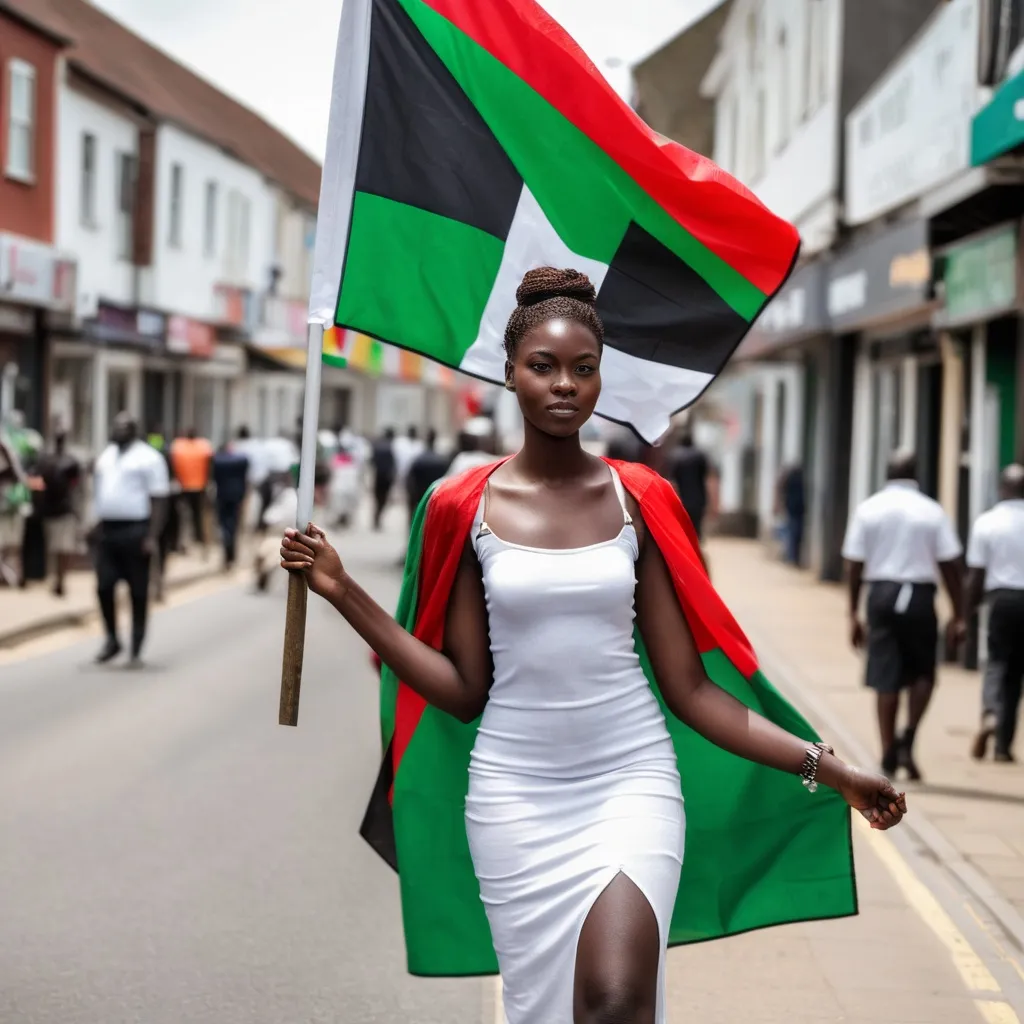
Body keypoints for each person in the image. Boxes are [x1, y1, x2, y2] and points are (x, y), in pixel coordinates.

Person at [281, 267, 905, 1024]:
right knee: (545, 1009)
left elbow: (693, 691)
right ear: (509, 374)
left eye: (584, 368)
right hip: (513, 795)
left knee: (615, 1001)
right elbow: (461, 688)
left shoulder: (640, 497)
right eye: (543, 367)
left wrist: (832, 770)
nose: (565, 385)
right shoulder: (459, 507)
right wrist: (344, 591)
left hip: (630, 781)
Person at [843, 450, 965, 780]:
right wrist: (959, 613)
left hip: (881, 595)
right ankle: (908, 739)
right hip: (920, 596)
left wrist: (853, 612)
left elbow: (854, 563)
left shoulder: (869, 508)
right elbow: (950, 565)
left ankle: (886, 754)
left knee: (886, 675)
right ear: (916, 474)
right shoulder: (931, 511)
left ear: (887, 473)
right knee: (923, 672)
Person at [91, 413, 169, 665]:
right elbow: (102, 493)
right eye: (114, 426)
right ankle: (112, 639)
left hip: (136, 531)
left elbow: (159, 499)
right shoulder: (107, 455)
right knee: (104, 587)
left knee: (137, 591)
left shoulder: (149, 458)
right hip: (108, 531)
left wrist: (152, 536)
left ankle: (136, 644)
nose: (116, 430)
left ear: (133, 430)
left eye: (122, 427)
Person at [965, 464, 1024, 762]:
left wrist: (966, 613)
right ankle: (1003, 746)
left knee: (997, 664)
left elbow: (975, 574)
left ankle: (990, 712)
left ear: (1002, 489)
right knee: (1016, 675)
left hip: (1000, 600)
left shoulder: (987, 522)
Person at [36, 429, 81, 596]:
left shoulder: (50, 461)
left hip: (55, 510)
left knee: (57, 548)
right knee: (61, 548)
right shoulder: (65, 462)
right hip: (60, 510)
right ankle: (59, 578)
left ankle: (59, 579)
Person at [667, 425, 715, 541]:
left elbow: (671, 480)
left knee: (683, 528)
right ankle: (696, 552)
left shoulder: (674, 456)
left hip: (681, 498)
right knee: (696, 528)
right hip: (698, 498)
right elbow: (706, 477)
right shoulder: (700, 455)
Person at [170, 427, 213, 555]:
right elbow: (210, 464)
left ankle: (184, 542)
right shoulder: (204, 446)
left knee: (183, 517)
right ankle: (201, 541)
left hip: (183, 487)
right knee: (199, 517)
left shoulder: (178, 446)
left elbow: (172, 464)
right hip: (199, 487)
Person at [211, 438, 250, 570]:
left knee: (224, 525)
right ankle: (231, 554)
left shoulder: (217, 462)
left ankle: (227, 551)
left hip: (222, 496)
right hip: (236, 496)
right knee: (233, 525)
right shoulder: (240, 461)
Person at [405, 428, 449, 523]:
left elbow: (410, 479)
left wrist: (410, 493)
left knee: (415, 519)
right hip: (434, 496)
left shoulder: (418, 459)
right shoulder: (441, 460)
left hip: (418, 495)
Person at [776, 462, 806, 566]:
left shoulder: (790, 480)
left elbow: (780, 490)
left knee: (792, 534)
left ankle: (791, 557)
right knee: (793, 534)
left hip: (794, 510)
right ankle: (792, 557)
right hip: (795, 510)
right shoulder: (796, 480)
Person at [371, 427, 396, 531]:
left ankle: (376, 517)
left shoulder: (377, 446)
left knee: (377, 498)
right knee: (383, 499)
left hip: (378, 476)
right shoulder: (392, 447)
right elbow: (393, 464)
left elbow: (372, 461)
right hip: (387, 477)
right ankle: (378, 517)